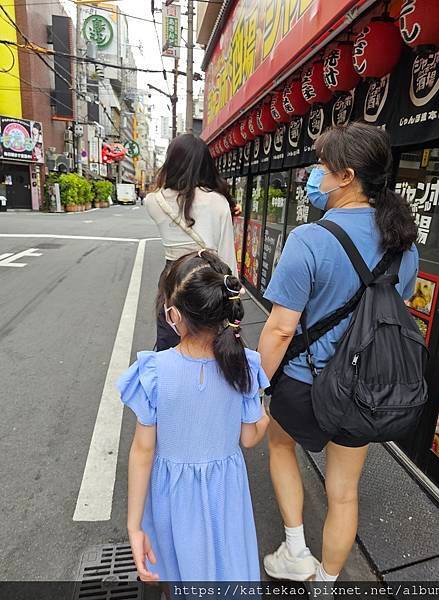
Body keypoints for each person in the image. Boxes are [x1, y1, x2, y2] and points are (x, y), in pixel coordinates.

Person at [258, 123, 419, 582]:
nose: (314, 174)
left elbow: (280, 329)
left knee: (280, 443)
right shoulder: (401, 243)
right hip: (363, 389)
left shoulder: (309, 239)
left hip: (305, 386)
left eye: (321, 166)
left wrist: (256, 386)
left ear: (345, 176)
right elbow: (392, 310)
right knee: (344, 491)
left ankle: (294, 551)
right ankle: (328, 585)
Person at [117, 250, 270, 581]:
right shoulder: (244, 365)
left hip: (169, 498)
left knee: (179, 574)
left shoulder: (153, 371)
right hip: (225, 496)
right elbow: (249, 437)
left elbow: (143, 452)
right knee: (227, 572)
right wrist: (266, 417)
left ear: (173, 313)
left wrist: (134, 525)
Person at [145, 134, 240, 351]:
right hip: (208, 278)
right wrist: (232, 290)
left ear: (171, 161)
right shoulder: (218, 201)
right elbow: (226, 252)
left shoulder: (153, 201)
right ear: (205, 164)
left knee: (169, 341)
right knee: (208, 345)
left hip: (173, 278)